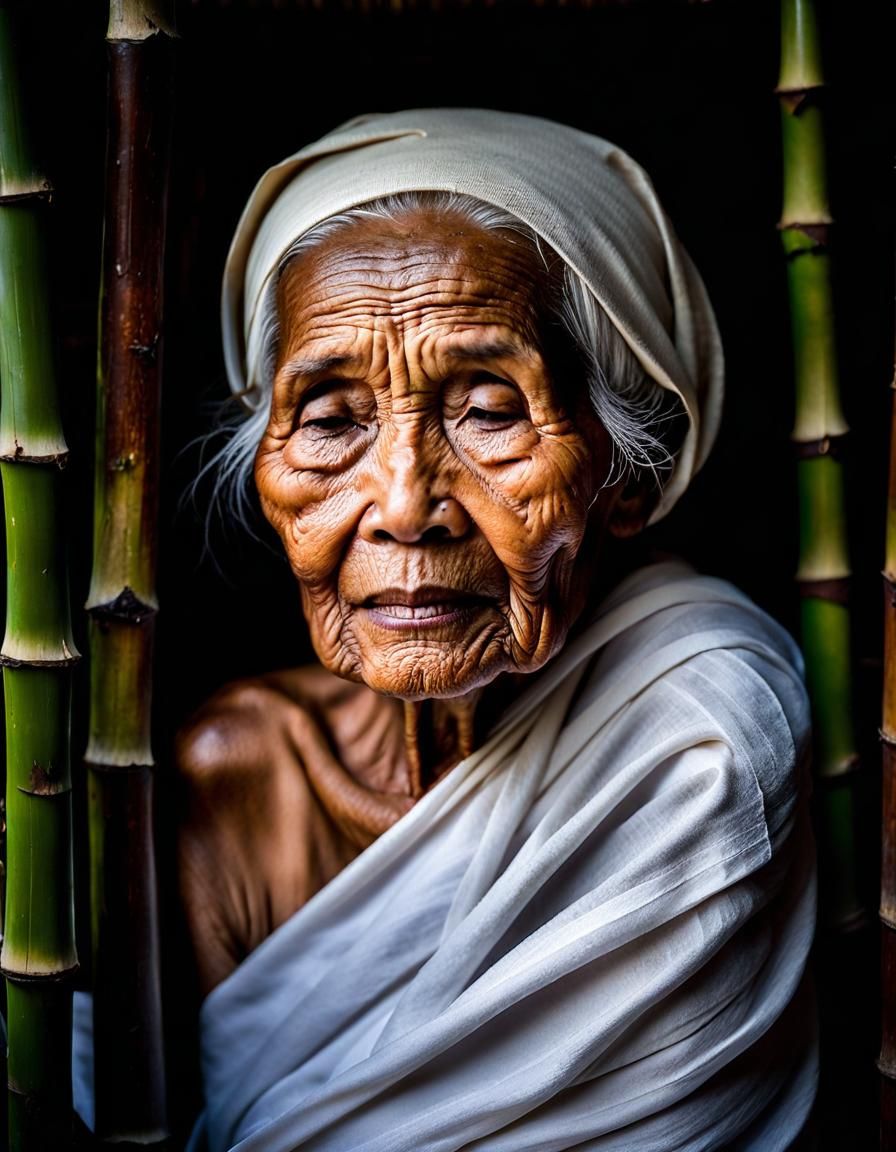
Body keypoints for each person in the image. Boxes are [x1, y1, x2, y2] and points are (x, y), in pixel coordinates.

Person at [177, 109, 816, 1152]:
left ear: (622, 474)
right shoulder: (237, 773)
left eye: (486, 411)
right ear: (269, 474)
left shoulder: (698, 739)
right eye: (332, 421)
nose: (401, 503)